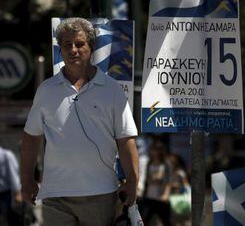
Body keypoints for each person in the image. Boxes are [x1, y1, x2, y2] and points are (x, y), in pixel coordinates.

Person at [21, 17, 139, 226]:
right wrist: (27, 179)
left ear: (91, 47)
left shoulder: (112, 90)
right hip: (55, 194)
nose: (73, 50)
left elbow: (126, 139)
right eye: (67, 45)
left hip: (101, 193)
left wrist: (132, 181)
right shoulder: (46, 90)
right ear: (61, 50)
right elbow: (31, 139)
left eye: (79, 44)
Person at [140, 140, 171, 226]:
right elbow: (147, 179)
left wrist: (166, 195)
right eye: (153, 149)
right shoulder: (149, 163)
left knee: (166, 221)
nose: (155, 152)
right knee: (144, 220)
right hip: (149, 197)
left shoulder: (165, 164)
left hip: (161, 198)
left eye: (157, 149)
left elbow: (167, 181)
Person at [0, 146, 22, 225]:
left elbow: (13, 174)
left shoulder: (6, 155)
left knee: (7, 217)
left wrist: (17, 193)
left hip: (5, 194)